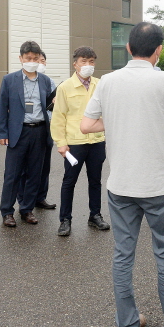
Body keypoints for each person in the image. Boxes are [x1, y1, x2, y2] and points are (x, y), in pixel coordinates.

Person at [80, 22, 164, 327]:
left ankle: (126, 326)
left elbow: (85, 125)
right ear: (159, 50)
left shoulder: (107, 82)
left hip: (120, 184)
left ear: (127, 48)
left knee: (122, 256)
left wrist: (119, 118)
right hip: (158, 187)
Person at [50, 46, 109, 236]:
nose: (88, 65)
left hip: (97, 140)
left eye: (91, 61)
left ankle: (95, 216)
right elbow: (58, 117)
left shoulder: (100, 84)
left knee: (95, 181)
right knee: (69, 181)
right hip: (74, 143)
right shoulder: (65, 87)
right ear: (75, 64)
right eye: (84, 61)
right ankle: (65, 220)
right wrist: (61, 142)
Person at [0, 41, 56, 228]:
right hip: (18, 132)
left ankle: (27, 209)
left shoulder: (45, 81)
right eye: (28, 58)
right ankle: (7, 211)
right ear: (21, 58)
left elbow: (49, 106)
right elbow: (2, 107)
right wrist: (2, 132)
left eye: (35, 58)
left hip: (39, 131)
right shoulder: (9, 80)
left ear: (40, 59)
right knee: (12, 174)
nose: (31, 61)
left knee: (34, 173)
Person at [16, 52, 57, 210]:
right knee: (25, 167)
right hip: (26, 128)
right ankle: (24, 199)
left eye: (42, 61)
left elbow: (56, 106)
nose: (39, 63)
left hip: (45, 128)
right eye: (35, 60)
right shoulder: (20, 81)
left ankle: (40, 197)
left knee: (43, 166)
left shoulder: (49, 82)